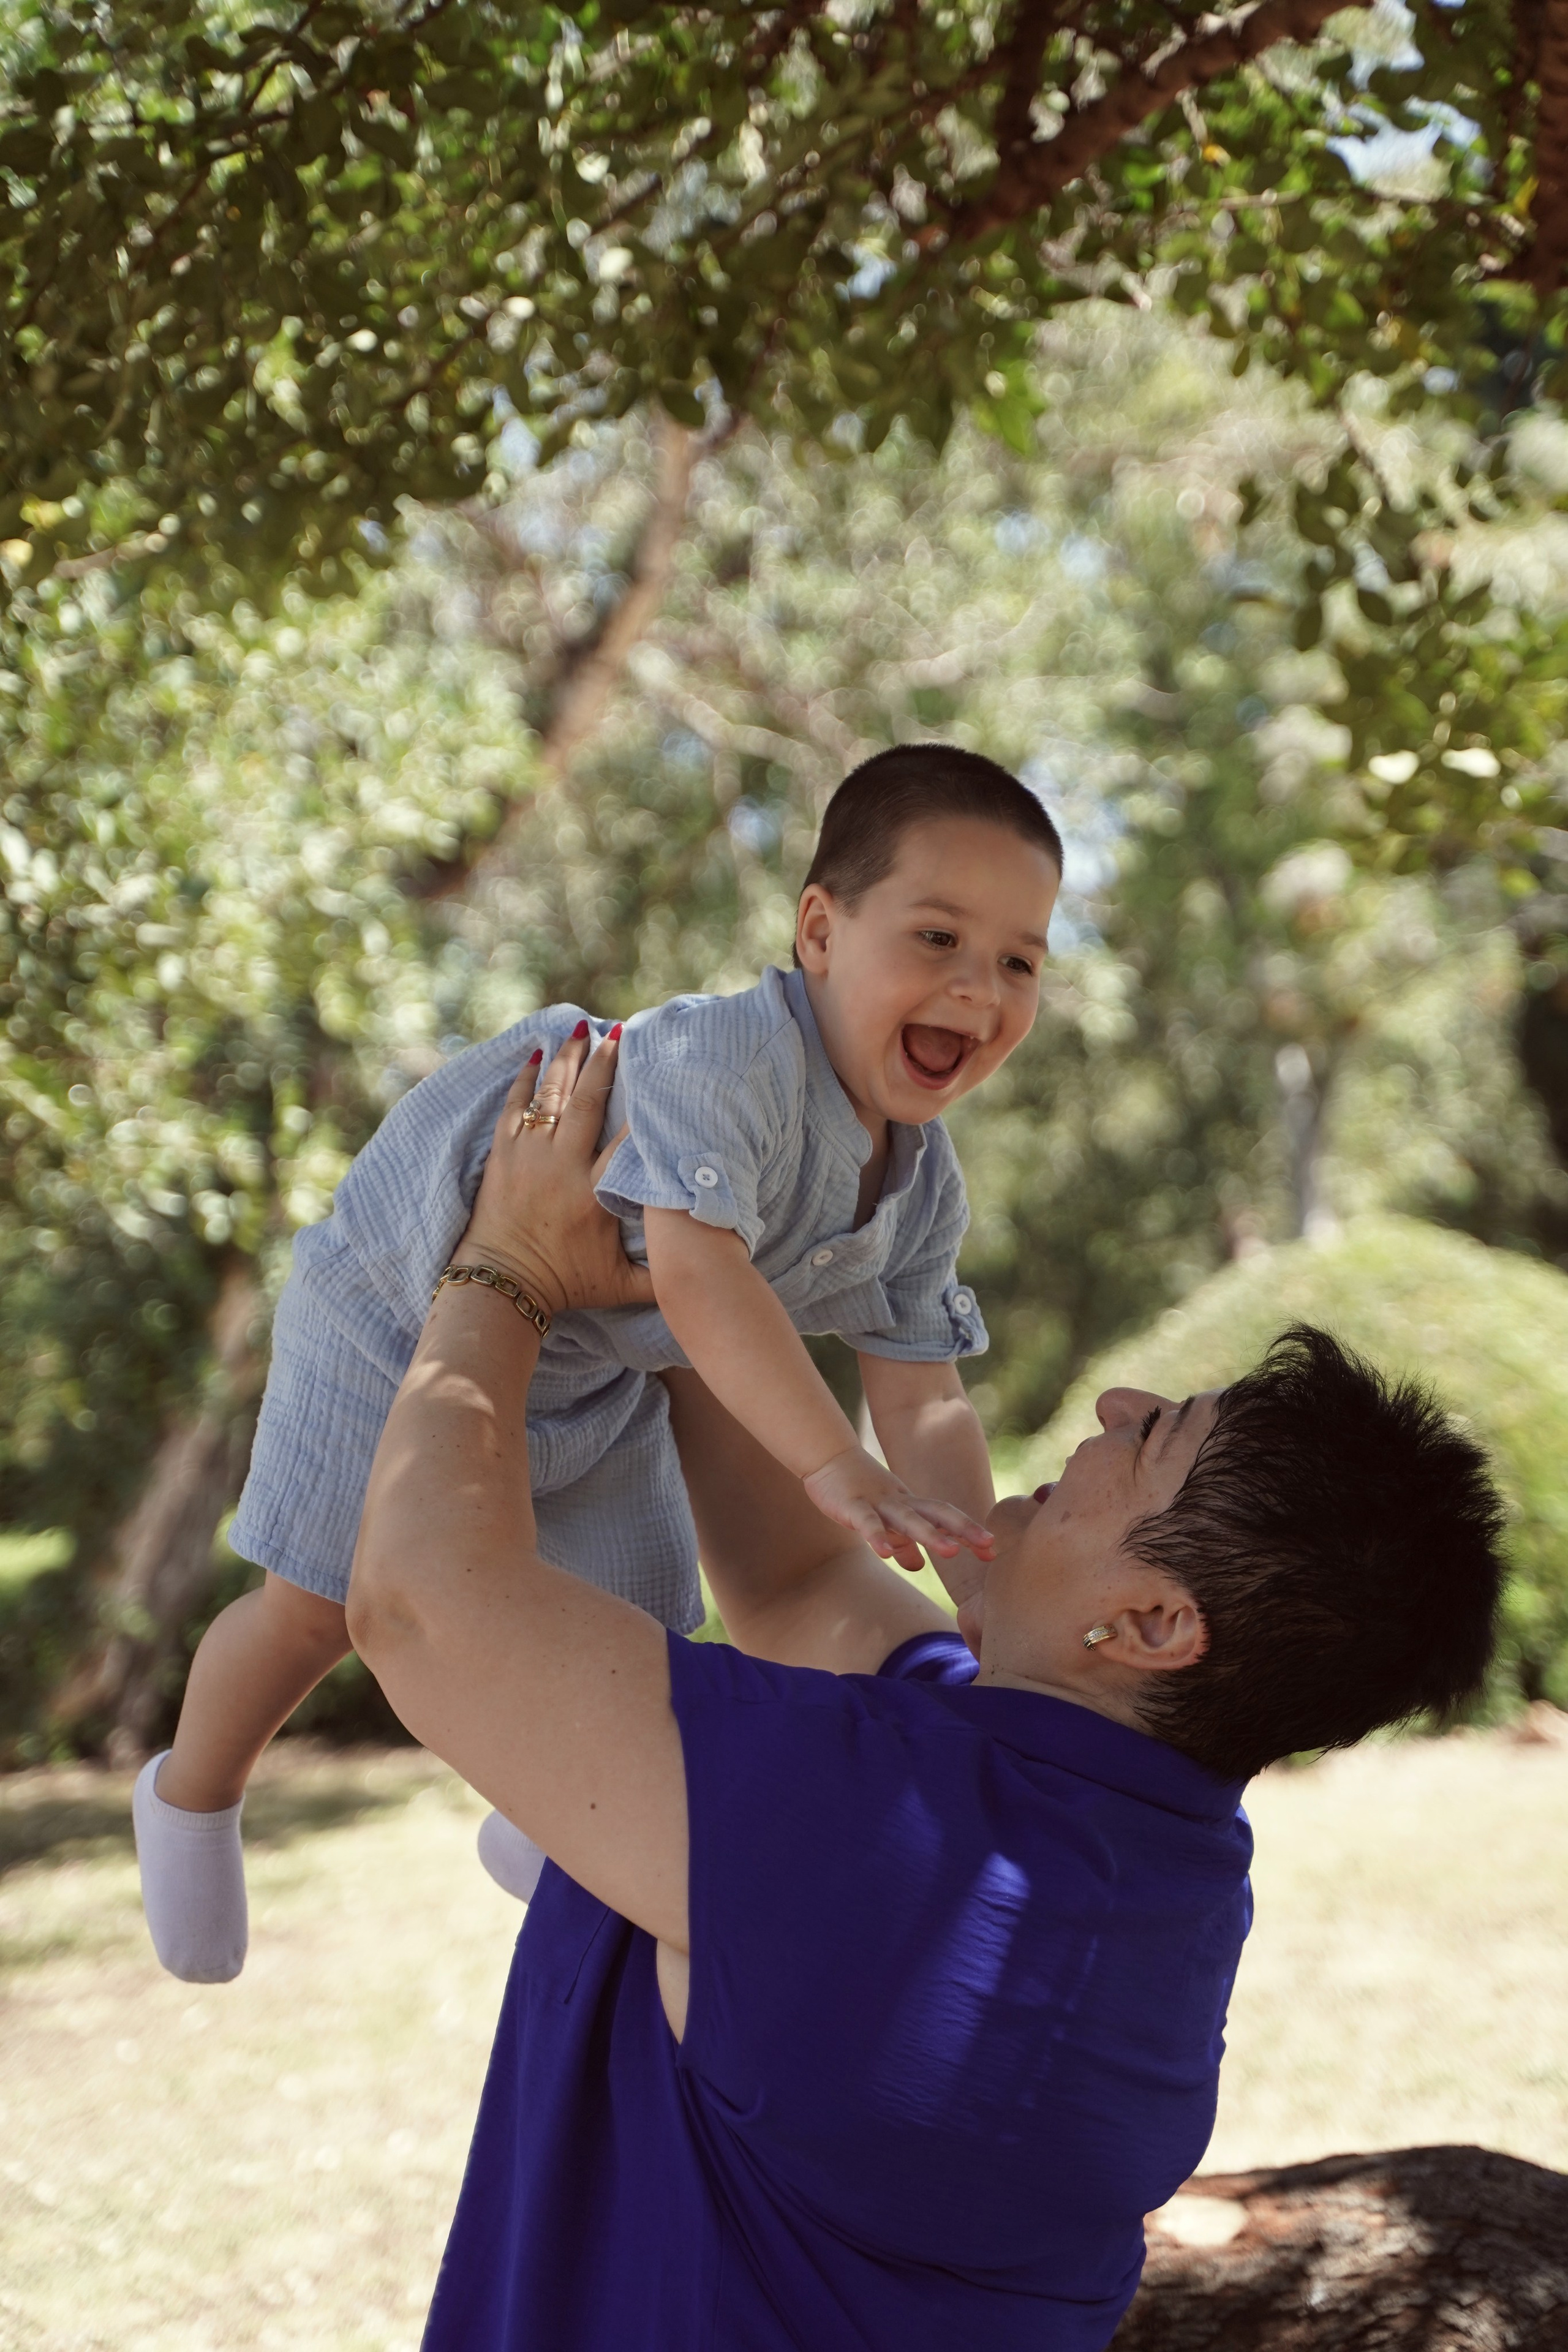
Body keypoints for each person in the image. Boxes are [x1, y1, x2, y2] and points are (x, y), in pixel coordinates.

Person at [346, 1026, 1506, 2352]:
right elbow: (797, 1584)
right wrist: (680, 1256)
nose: (1115, 1404)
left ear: (1149, 1624)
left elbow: (419, 1606)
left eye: (1158, 1438)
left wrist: (505, 1264)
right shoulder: (1135, 1854)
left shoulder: (890, 1846)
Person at [132, 744, 1063, 1981]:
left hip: (594, 1362)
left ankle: (546, 1823)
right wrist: (832, 1464)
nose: (977, 988)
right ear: (819, 931)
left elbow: (924, 1387)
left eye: (1019, 961)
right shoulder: (726, 1061)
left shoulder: (920, 1179)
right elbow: (700, 1277)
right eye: (937, 937)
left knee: (633, 1628)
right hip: (405, 1303)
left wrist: (978, 1577)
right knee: (315, 1606)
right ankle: (192, 1793)